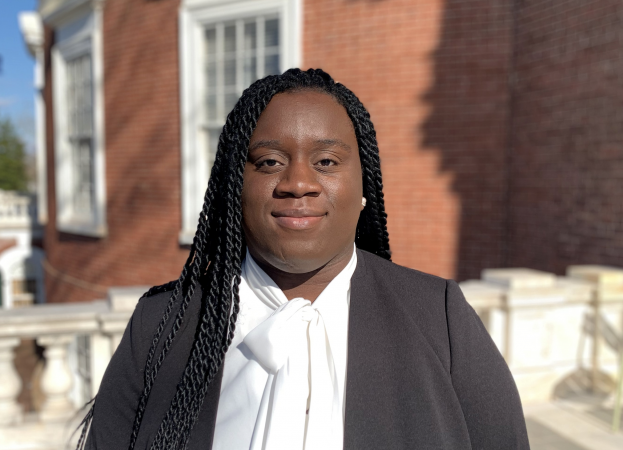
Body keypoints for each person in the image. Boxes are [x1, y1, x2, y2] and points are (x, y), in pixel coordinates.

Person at [82, 69, 529, 450]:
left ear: (364, 188)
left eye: (328, 161)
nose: (298, 183)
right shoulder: (164, 326)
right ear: (233, 188)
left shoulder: (440, 317)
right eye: (270, 162)